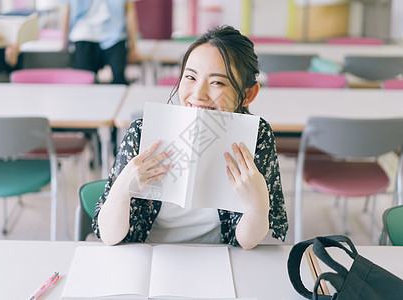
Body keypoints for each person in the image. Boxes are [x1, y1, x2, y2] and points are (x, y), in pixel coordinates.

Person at [93, 25, 288, 250]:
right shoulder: (143, 131)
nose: (198, 94)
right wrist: (122, 190)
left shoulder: (256, 136)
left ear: (247, 94)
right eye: (190, 77)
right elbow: (109, 236)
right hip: (148, 254)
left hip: (219, 257)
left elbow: (246, 242)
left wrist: (258, 208)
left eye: (217, 82)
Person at [59, 0, 140, 84]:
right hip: (83, 34)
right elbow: (66, 9)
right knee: (83, 82)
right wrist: (64, 43)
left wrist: (134, 47)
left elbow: (130, 11)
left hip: (115, 36)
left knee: (118, 80)